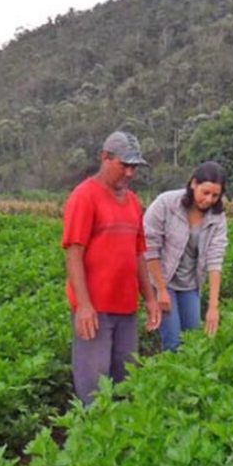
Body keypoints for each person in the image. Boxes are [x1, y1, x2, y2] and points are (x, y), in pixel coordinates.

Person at [62, 130, 162, 406]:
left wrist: (151, 298)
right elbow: (73, 253)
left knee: (126, 381)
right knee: (94, 388)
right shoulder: (84, 197)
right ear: (105, 158)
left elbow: (138, 253)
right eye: (124, 165)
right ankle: (92, 443)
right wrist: (83, 305)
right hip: (96, 310)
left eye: (134, 167)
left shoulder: (132, 201)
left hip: (126, 308)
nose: (130, 173)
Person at [142, 161, 229, 351]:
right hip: (163, 280)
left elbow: (215, 259)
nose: (209, 200)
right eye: (205, 192)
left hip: (190, 283)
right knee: (173, 342)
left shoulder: (217, 217)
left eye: (215, 195)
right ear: (193, 184)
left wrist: (213, 307)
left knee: (193, 340)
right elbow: (150, 248)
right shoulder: (166, 204)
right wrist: (161, 289)